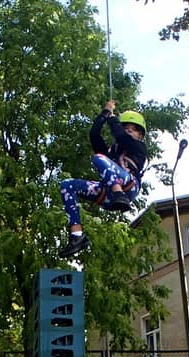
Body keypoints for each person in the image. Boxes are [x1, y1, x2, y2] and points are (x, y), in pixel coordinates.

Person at [58, 100, 148, 258]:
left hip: (129, 186)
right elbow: (94, 135)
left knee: (99, 158)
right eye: (126, 128)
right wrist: (105, 114)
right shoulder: (112, 151)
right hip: (108, 193)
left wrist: (112, 118)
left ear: (140, 135)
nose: (128, 131)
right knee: (67, 185)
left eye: (133, 130)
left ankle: (119, 194)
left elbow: (121, 136)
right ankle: (77, 236)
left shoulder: (139, 147)